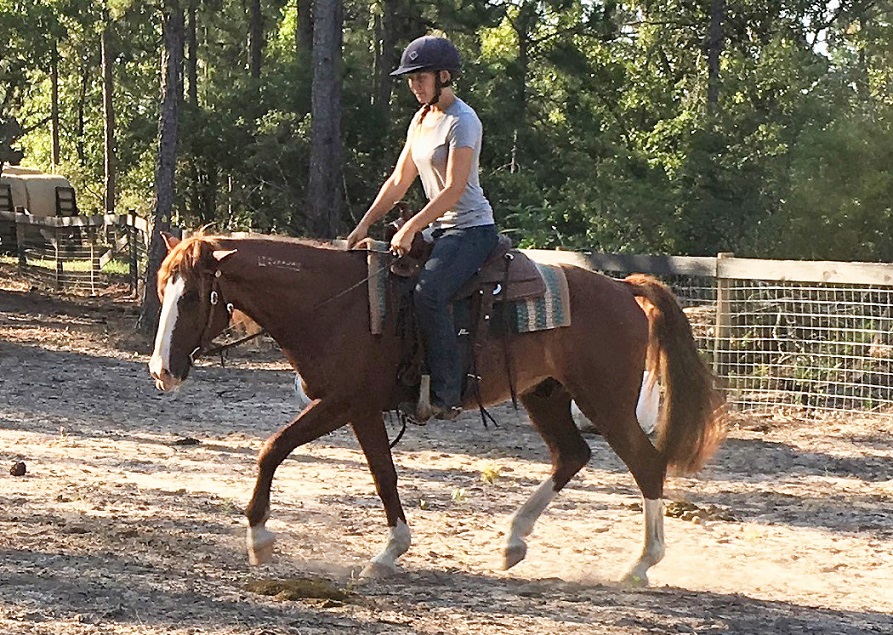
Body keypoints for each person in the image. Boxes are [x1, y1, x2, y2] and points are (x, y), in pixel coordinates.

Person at [346, 35, 498, 420]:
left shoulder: (463, 121)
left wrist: (412, 226)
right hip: (439, 229)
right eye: (410, 79)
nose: (414, 85)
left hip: (470, 229)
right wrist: (364, 224)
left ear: (444, 76)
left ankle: (448, 393)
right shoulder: (420, 120)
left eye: (420, 78)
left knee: (429, 292)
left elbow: (454, 189)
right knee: (392, 286)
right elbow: (400, 179)